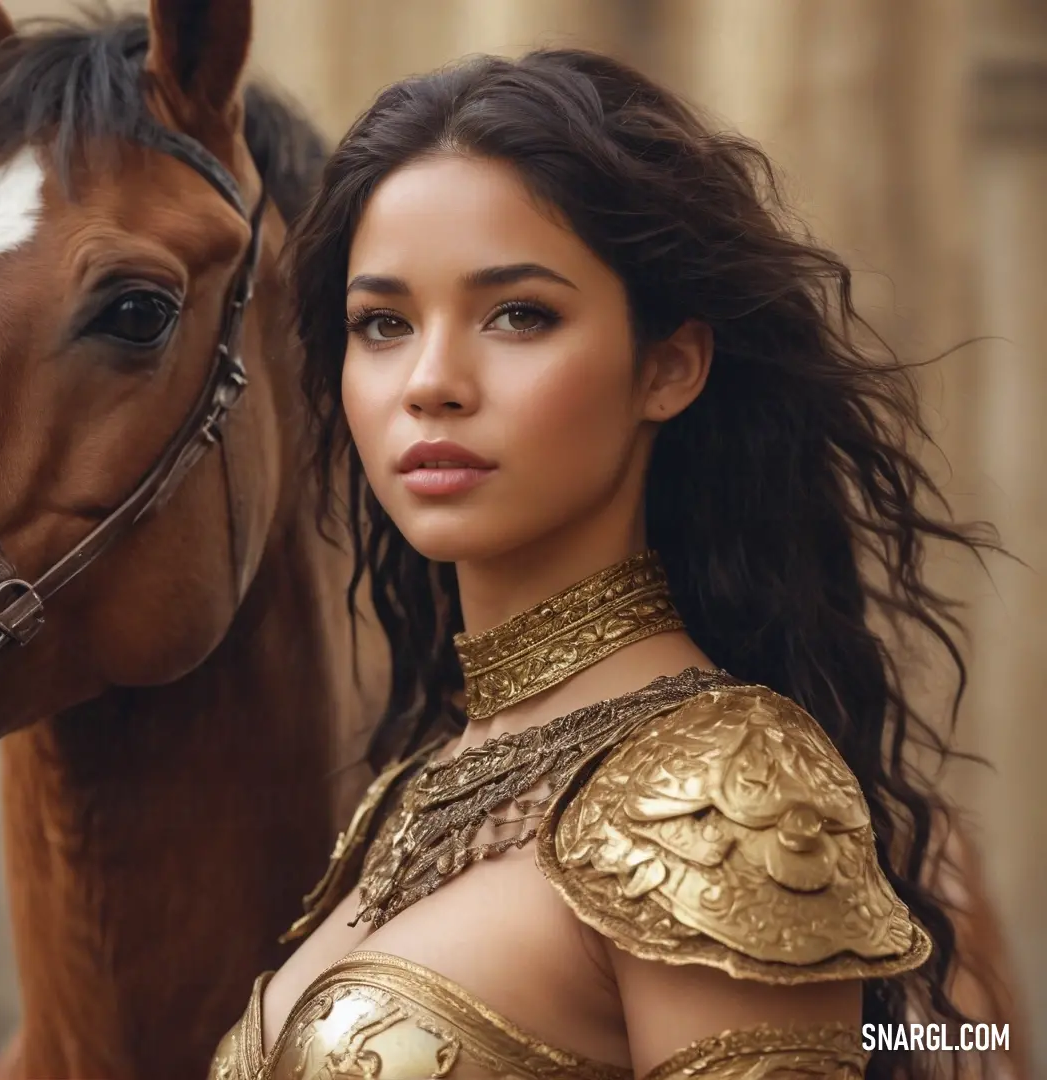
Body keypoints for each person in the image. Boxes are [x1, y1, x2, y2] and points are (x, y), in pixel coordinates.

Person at [209, 49, 1000, 1079]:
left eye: (519, 314)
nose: (432, 381)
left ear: (667, 367)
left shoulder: (724, 791)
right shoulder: (411, 790)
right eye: (383, 324)